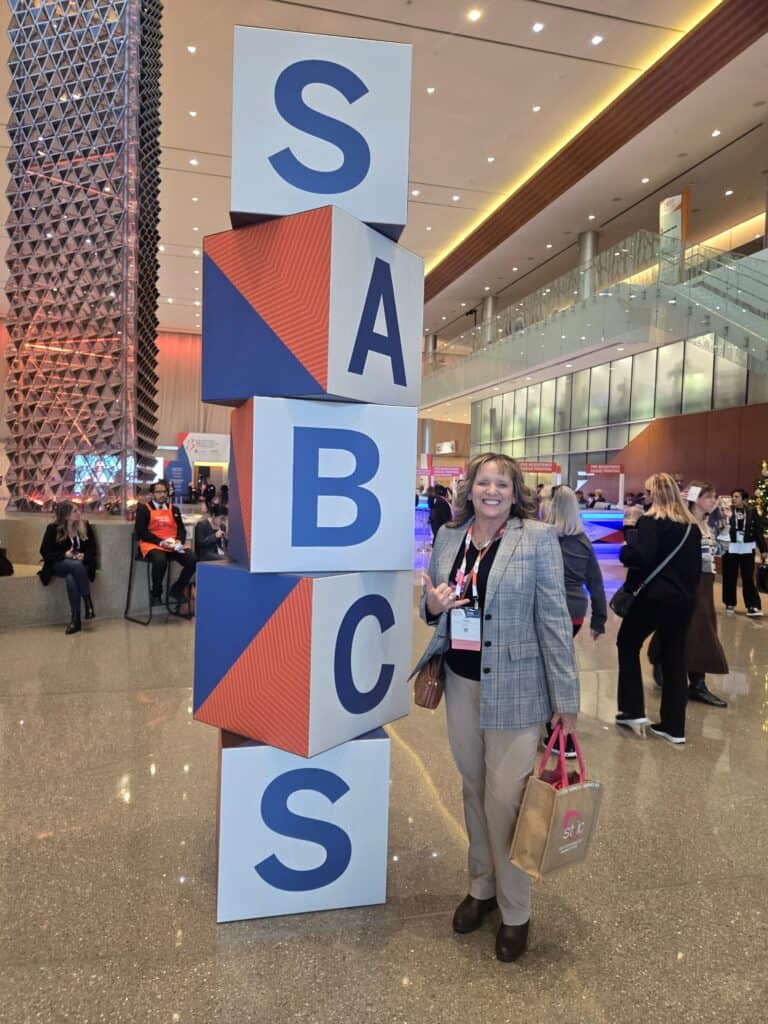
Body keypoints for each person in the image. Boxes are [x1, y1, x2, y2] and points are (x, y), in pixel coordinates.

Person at [413, 453, 579, 962]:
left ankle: (515, 911)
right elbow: (434, 609)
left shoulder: (536, 539)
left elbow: (553, 621)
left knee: (505, 802)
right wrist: (432, 608)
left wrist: (565, 702)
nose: (491, 491)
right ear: (469, 489)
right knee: (472, 789)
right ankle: (481, 886)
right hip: (461, 685)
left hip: (517, 689)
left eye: (501, 484)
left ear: (515, 491)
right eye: (483, 482)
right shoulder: (449, 539)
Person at [615, 473, 701, 745]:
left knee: (627, 643)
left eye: (649, 491)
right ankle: (675, 727)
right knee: (675, 658)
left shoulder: (650, 522)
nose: (646, 496)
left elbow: (640, 557)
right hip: (684, 601)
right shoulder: (691, 526)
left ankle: (632, 710)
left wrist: (625, 549)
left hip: (653, 598)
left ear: (655, 493)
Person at [648, 482, 728, 708]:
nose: (713, 501)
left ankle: (671, 664)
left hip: (706, 581)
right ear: (696, 499)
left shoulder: (709, 525)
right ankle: (696, 681)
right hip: (686, 582)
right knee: (697, 629)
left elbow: (719, 552)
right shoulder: (682, 523)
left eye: (714, 497)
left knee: (699, 628)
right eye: (709, 497)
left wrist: (723, 530)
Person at [545, 485, 606, 757]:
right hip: (575, 614)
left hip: (548, 612)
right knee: (561, 666)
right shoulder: (582, 540)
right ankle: (561, 727)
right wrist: (600, 618)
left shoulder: (542, 537)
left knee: (548, 670)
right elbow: (596, 581)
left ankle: (559, 733)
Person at [39, 501, 98, 634]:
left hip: (81, 565)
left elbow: (92, 549)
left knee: (72, 578)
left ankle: (75, 620)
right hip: (59, 564)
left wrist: (84, 556)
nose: (79, 513)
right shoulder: (52, 528)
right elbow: (45, 552)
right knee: (74, 566)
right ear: (66, 516)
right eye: (75, 511)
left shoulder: (85, 525)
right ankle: (87, 601)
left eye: (78, 510)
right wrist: (64, 554)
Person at [135, 479, 197, 605]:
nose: (162, 494)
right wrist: (161, 542)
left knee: (193, 559)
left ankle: (176, 590)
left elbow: (181, 529)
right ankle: (156, 593)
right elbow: (141, 532)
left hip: (173, 545)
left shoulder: (174, 509)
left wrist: (179, 541)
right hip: (153, 544)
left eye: (164, 492)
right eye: (158, 492)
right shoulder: (143, 509)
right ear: (152, 494)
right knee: (160, 560)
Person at [718, 488, 766, 616]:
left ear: (744, 499)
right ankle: (729, 603)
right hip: (731, 547)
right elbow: (720, 527)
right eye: (732, 496)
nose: (733, 499)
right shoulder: (727, 511)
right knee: (729, 576)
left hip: (747, 548)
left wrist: (763, 550)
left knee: (748, 578)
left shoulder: (752, 511)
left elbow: (758, 532)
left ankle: (753, 606)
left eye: (737, 496)